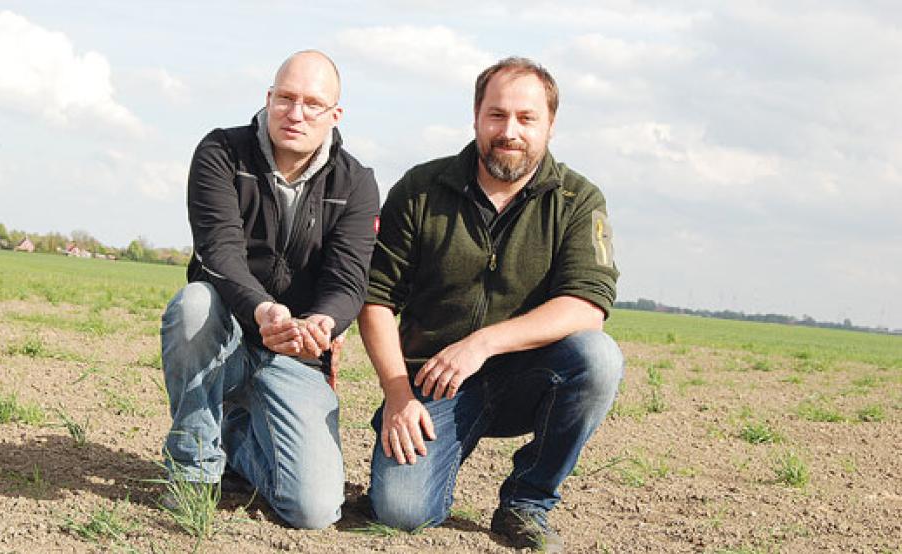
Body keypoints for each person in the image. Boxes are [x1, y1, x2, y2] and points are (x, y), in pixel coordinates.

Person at [357, 57, 623, 551]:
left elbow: (587, 306)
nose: (510, 131)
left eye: (527, 118)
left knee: (598, 358)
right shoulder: (420, 189)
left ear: (550, 124)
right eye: (497, 115)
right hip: (433, 382)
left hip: (530, 378)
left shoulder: (577, 200)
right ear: (476, 116)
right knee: (402, 512)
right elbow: (374, 298)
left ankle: (528, 501)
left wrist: (482, 343)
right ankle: (417, 457)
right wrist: (397, 394)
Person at [160, 50, 379, 529]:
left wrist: (323, 323)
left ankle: (236, 441)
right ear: (269, 98)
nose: (295, 113)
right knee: (194, 304)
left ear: (334, 115)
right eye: (286, 98)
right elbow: (219, 253)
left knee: (314, 509)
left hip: (296, 352)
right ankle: (194, 470)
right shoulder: (221, 152)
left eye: (312, 104)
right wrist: (263, 311)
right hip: (227, 336)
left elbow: (348, 279)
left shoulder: (356, 183)